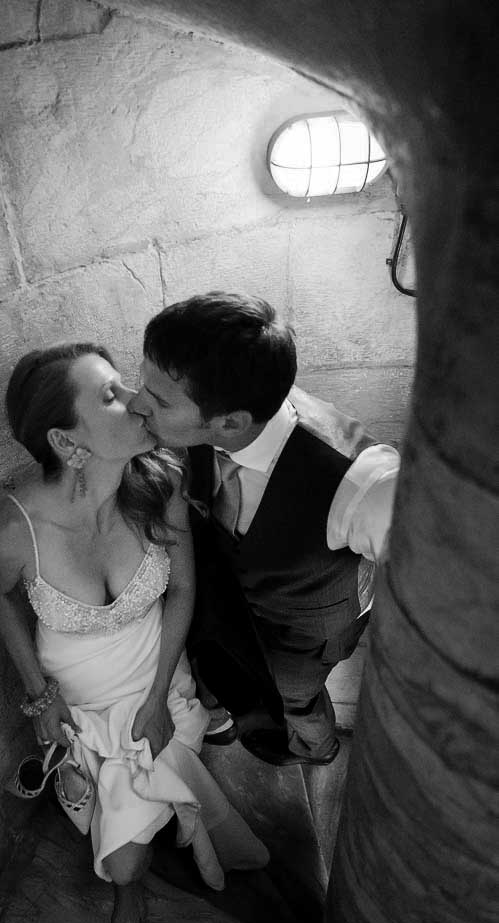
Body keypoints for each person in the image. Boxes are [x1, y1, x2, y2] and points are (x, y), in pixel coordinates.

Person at [0, 342, 269, 923]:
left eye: (125, 386)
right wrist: (40, 696)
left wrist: (161, 694)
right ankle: (129, 880)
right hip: (80, 698)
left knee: (141, 800)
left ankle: (135, 862)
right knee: (125, 847)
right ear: (66, 442)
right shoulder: (13, 531)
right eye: (111, 397)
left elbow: (183, 589)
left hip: (158, 674)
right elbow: (1, 598)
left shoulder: (160, 483)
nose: (137, 401)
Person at [128, 292, 400, 768]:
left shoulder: (363, 484)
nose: (135, 404)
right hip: (239, 610)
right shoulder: (213, 413)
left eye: (158, 401)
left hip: (306, 634)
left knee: (298, 700)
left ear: (230, 422)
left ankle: (319, 749)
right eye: (142, 385)